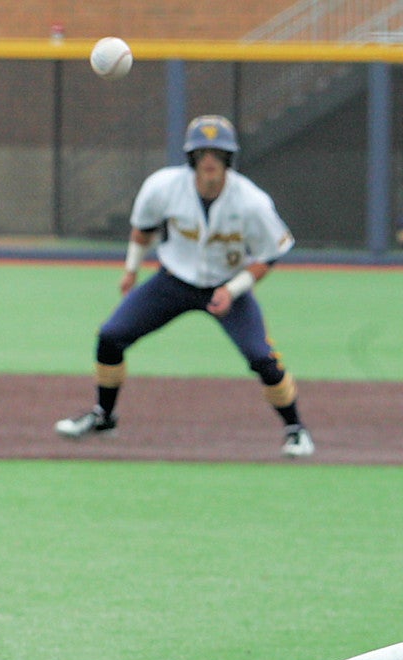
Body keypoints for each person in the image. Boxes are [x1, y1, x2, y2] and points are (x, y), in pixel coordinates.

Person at [55, 114, 313, 458]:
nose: (209, 161)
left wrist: (232, 290)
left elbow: (268, 256)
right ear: (190, 158)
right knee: (111, 337)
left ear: (229, 160)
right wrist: (131, 270)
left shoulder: (252, 202)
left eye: (217, 154)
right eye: (202, 153)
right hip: (173, 281)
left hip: (226, 286)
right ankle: (104, 416)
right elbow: (142, 230)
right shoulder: (163, 187)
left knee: (262, 358)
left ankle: (296, 429)